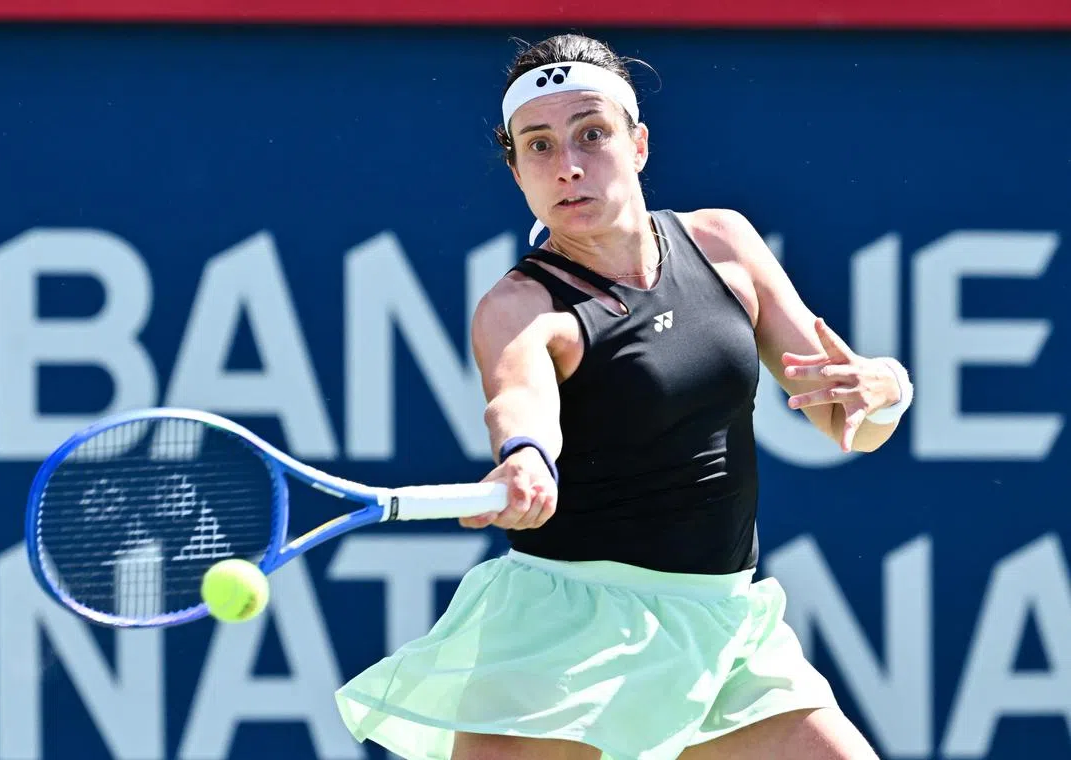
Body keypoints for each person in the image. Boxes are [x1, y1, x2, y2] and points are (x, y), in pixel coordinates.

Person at [335, 33, 913, 760]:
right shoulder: (519, 306)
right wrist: (525, 457)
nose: (568, 165)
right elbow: (518, 401)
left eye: (592, 134)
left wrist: (888, 389)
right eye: (538, 146)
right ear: (517, 172)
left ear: (638, 144)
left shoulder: (725, 244)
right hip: (567, 637)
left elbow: (848, 420)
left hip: (724, 630)